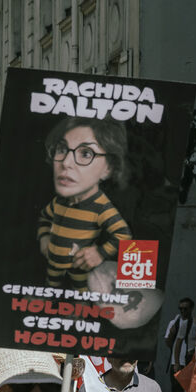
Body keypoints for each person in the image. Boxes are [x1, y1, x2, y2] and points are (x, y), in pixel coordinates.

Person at [37, 118, 132, 290]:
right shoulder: (59, 202)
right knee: (50, 291)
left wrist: (100, 253)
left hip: (80, 269)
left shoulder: (101, 207)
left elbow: (123, 235)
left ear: (108, 168)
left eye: (86, 153)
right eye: (61, 149)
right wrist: (44, 238)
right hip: (53, 265)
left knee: (81, 297)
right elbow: (44, 217)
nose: (65, 163)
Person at [164, 296, 195, 392]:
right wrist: (172, 333)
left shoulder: (194, 323)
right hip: (176, 363)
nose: (182, 311)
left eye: (185, 308)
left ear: (191, 309)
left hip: (191, 362)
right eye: (180, 308)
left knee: (193, 391)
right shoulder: (174, 323)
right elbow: (168, 344)